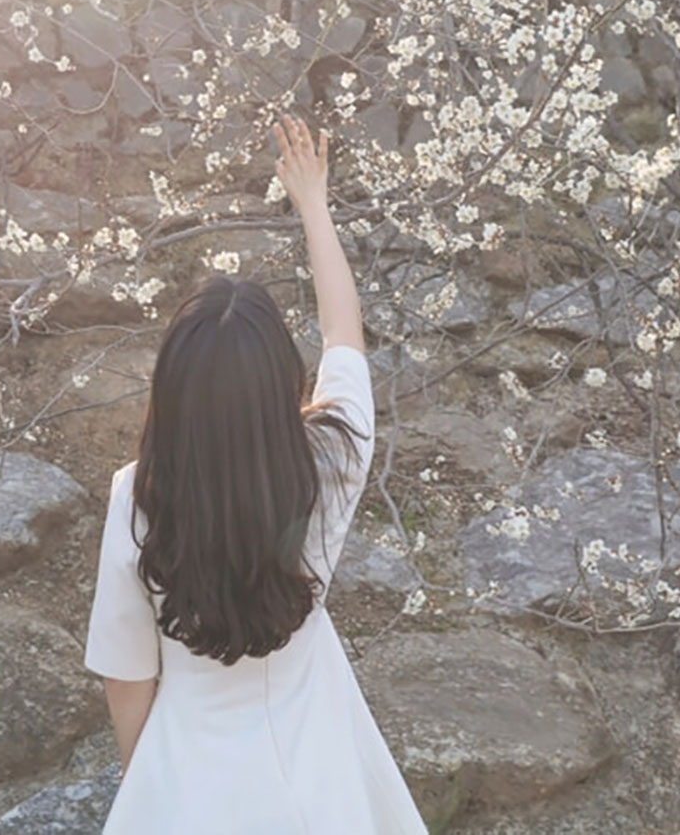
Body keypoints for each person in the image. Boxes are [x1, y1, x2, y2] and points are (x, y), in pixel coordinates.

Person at [82, 112, 429, 833]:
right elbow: (344, 337)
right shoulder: (328, 465)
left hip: (188, 779)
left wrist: (150, 786)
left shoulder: (138, 498)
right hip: (319, 770)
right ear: (281, 384)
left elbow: (127, 676)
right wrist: (313, 205)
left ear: (172, 394)